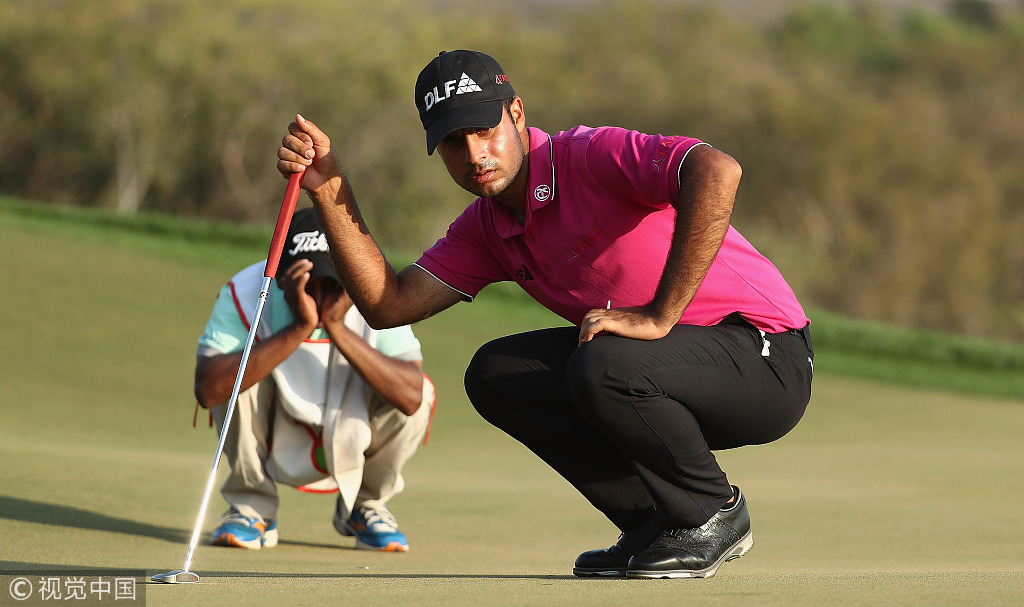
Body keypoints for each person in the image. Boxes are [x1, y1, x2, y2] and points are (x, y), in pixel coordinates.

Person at [275, 50, 813, 578]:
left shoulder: (590, 155)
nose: (474, 154)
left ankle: (711, 514)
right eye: (453, 143)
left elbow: (717, 170)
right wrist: (328, 186)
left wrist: (659, 313)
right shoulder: (486, 228)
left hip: (766, 357)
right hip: (661, 373)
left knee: (603, 363)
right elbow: (388, 304)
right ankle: (659, 522)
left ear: (516, 114)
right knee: (497, 375)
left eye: (485, 130)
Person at [193, 207, 434, 552]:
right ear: (282, 275)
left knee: (422, 391)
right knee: (234, 377)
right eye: (309, 281)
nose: (320, 293)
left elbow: (411, 395)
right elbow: (207, 389)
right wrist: (299, 328)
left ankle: (364, 506)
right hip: (274, 423)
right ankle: (251, 508)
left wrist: (336, 328)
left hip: (353, 425)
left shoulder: (376, 291)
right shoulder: (247, 292)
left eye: (331, 281)